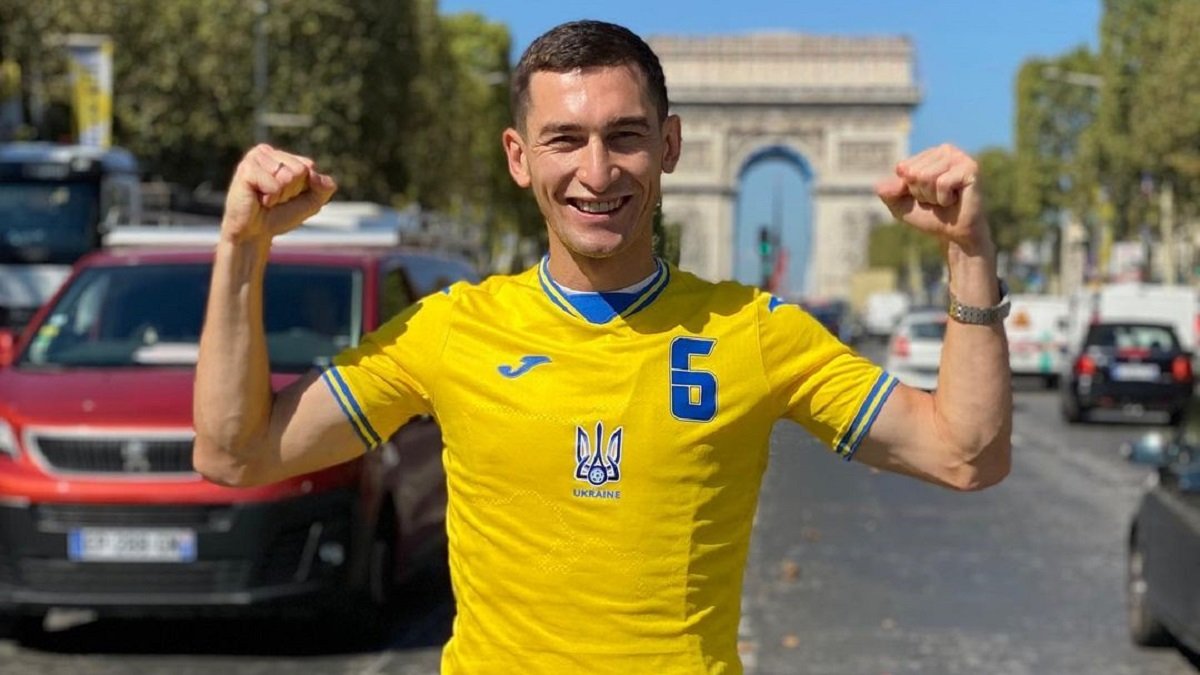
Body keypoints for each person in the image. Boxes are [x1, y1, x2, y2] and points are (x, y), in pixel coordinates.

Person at [193, 19, 1011, 674]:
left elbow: (965, 455)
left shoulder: (759, 331)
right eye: (564, 139)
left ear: (670, 146)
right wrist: (240, 248)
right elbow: (235, 453)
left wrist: (969, 253)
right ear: (518, 157)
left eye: (625, 136)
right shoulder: (449, 328)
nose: (597, 171)